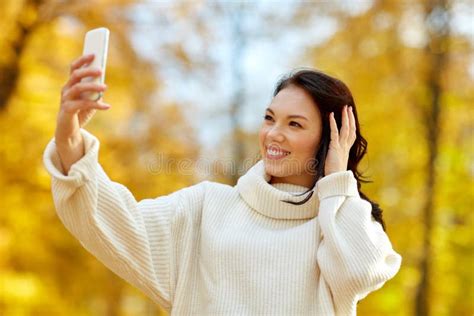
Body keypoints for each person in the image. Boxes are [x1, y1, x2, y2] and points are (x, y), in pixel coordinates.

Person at [43, 54, 402, 316]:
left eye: (295, 124)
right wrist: (68, 134)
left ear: (330, 139)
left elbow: (360, 272)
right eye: (269, 118)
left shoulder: (339, 224)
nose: (274, 133)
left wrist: (338, 182)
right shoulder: (208, 206)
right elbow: (116, 221)